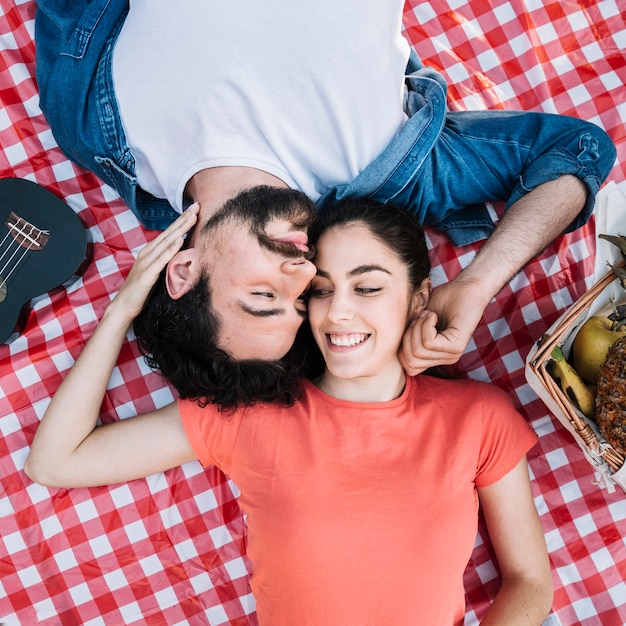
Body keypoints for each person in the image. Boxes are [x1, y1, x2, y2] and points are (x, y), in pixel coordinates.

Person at [34, 0, 616, 388]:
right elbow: (577, 151)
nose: (299, 273)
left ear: (182, 270)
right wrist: (477, 284)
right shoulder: (390, 183)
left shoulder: (87, 125)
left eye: (263, 296)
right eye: (302, 299)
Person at [25, 199, 553, 625]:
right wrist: (123, 308)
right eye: (320, 291)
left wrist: (479, 284)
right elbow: (57, 461)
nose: (339, 311)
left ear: (419, 298)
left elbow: (530, 580)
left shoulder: (478, 415)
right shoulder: (253, 415)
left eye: (367, 287)